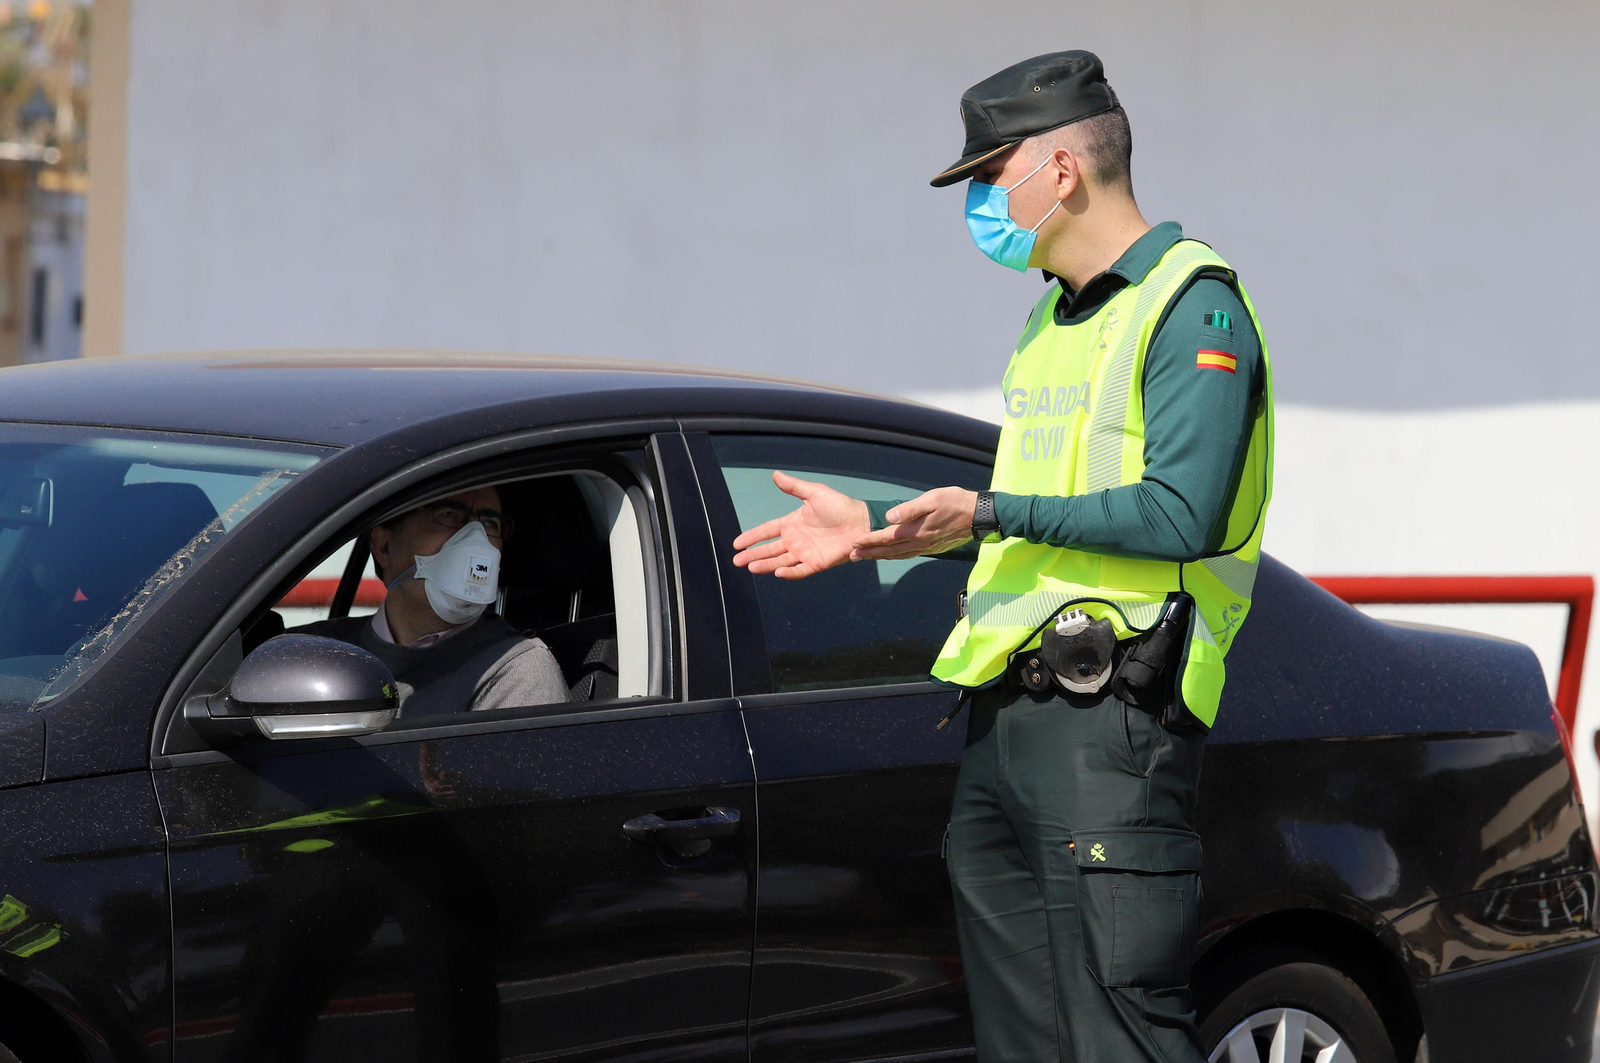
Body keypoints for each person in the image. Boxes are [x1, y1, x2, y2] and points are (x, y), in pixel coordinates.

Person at [732, 51, 1273, 1063]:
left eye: (990, 173)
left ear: (1060, 170)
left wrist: (981, 510)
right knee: (1022, 1043)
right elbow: (1029, 521)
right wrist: (876, 533)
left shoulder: (1192, 305)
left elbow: (1180, 514)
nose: (981, 199)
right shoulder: (1048, 321)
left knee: (1120, 1038)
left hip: (1111, 723)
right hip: (1007, 719)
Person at [299, 486, 569, 714]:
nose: (475, 540)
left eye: (489, 523)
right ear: (384, 547)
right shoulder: (309, 653)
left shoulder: (516, 670)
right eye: (448, 515)